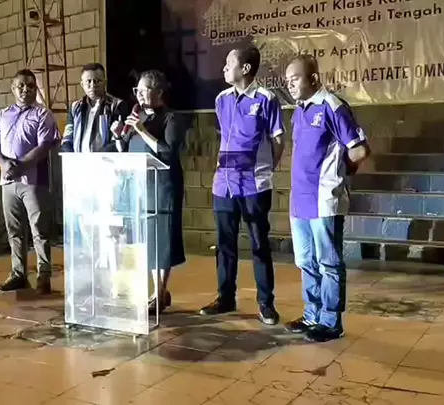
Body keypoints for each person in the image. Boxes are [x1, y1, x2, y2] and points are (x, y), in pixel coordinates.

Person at [283, 54, 370, 342]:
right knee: (306, 261)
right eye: (287, 80)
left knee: (328, 263)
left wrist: (339, 176)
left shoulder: (332, 106)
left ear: (313, 78)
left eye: (295, 79)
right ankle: (312, 315)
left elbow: (359, 150)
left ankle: (331, 323)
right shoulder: (299, 110)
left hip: (323, 200)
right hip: (299, 201)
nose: (290, 85)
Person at [199, 46, 285, 325]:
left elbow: (278, 140)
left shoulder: (266, 99)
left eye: (229, 63)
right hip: (223, 184)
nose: (224, 68)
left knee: (259, 243)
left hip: (254, 185)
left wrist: (266, 169)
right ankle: (225, 297)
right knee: (225, 243)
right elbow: (225, 136)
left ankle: (266, 303)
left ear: (245, 68)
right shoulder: (221, 99)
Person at [109, 70, 186, 313]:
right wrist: (118, 136)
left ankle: (160, 292)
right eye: (137, 90)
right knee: (148, 240)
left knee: (162, 239)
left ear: (159, 91)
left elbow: (167, 152)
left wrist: (142, 130)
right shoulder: (137, 116)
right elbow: (124, 150)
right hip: (138, 187)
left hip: (162, 186)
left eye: (144, 90)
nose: (139, 95)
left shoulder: (172, 118)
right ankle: (158, 292)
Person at [0, 69, 61, 294]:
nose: (25, 90)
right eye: (21, 86)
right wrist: (3, 164)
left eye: (30, 86)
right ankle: (18, 274)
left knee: (40, 230)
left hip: (34, 182)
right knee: (14, 230)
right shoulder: (3, 115)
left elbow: (44, 146)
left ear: (36, 89)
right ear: (13, 88)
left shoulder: (43, 114)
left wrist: (19, 166)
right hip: (8, 182)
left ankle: (43, 276)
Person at [61, 63, 131, 153]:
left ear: (105, 82)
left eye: (98, 81)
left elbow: (116, 142)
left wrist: (95, 158)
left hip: (106, 160)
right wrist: (71, 157)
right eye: (88, 81)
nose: (93, 85)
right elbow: (67, 138)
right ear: (82, 84)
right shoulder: (75, 107)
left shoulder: (117, 105)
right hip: (78, 160)